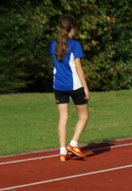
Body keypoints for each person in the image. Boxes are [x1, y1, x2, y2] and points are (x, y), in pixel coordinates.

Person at [50, 15, 90, 161]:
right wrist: (86, 87)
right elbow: (78, 68)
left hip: (58, 85)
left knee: (63, 118)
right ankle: (73, 143)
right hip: (74, 85)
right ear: (72, 28)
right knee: (84, 116)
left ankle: (62, 151)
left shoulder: (53, 44)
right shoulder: (75, 45)